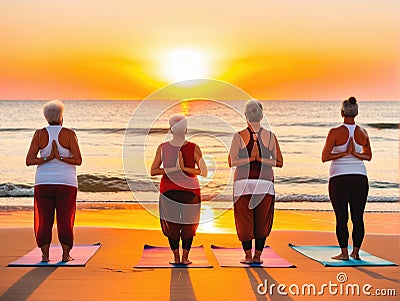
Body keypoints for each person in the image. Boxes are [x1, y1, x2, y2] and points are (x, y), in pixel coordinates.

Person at [26, 100, 82, 262]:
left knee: (44, 220)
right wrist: (60, 157)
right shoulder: (69, 134)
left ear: (46, 117)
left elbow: (29, 160)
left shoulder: (39, 134)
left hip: (43, 182)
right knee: (65, 220)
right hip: (66, 183)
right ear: (61, 117)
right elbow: (78, 160)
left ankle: (45, 256)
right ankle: (65, 255)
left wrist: (46, 158)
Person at [228, 100, 283, 264]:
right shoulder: (270, 136)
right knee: (262, 218)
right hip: (265, 183)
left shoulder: (239, 136)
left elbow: (232, 162)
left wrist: (250, 158)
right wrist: (260, 159)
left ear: (245, 116)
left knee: (244, 219)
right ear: (262, 115)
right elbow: (279, 162)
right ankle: (257, 256)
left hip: (243, 183)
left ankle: (247, 256)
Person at [150, 115, 207, 265]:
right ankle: (185, 258)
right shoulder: (194, 147)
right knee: (189, 225)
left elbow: (154, 171)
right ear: (186, 130)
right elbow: (203, 171)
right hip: (190, 192)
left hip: (169, 191)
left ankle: (176, 258)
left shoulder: (163, 148)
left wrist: (174, 169)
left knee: (172, 225)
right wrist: (183, 169)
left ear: (170, 130)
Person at [322, 96, 372, 260]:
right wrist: (354, 153)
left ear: (342, 112)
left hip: (339, 178)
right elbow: (368, 156)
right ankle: (356, 252)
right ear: (356, 112)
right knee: (358, 217)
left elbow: (325, 157)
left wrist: (344, 153)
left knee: (341, 217)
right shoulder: (363, 132)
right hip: (360, 178)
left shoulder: (335, 132)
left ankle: (344, 253)